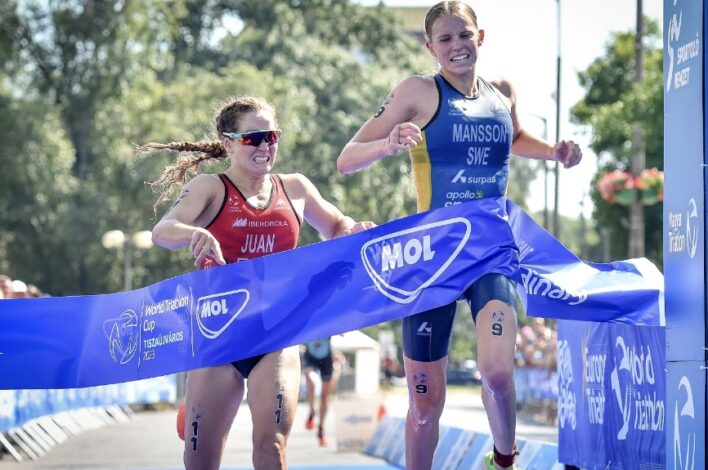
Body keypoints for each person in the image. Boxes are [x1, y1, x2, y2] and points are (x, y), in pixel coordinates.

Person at [336, 2, 582, 469]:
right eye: (445, 40)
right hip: (431, 256)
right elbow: (347, 159)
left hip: (492, 251)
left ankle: (504, 459)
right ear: (430, 47)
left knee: (496, 371)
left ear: (480, 37)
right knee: (426, 407)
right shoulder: (417, 91)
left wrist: (555, 152)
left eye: (463, 36)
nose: (456, 47)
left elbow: (514, 138)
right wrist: (387, 144)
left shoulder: (502, 92)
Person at [139, 95, 374, 470]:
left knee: (272, 448)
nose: (265, 145)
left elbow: (336, 226)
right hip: (219, 335)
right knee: (200, 462)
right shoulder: (210, 189)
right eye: (253, 138)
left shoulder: (295, 189)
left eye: (272, 136)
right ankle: (197, 406)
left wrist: (354, 229)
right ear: (228, 142)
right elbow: (162, 231)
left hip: (277, 333)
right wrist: (192, 234)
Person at [302, 336, 337, 447]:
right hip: (310, 356)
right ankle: (312, 411)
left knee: (324, 396)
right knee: (310, 382)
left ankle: (321, 428)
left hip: (326, 357)